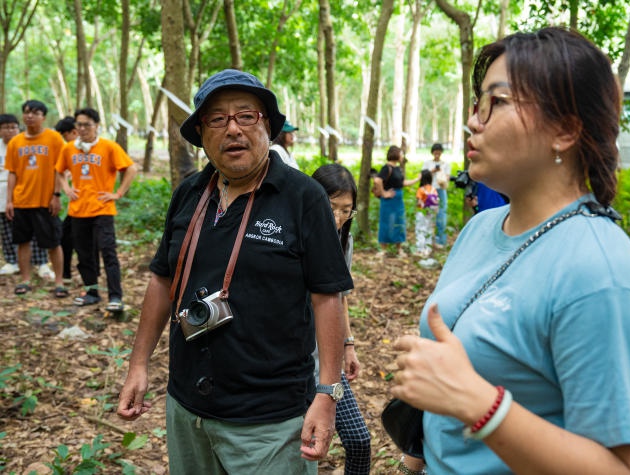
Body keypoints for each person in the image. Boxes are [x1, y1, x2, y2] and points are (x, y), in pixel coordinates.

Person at [391, 27, 630, 475]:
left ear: (565, 130)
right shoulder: (481, 228)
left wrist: (478, 403)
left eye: (496, 103)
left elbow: (628, 470)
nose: (474, 122)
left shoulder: (603, 276)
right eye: (477, 104)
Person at [117, 69, 353, 474]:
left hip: (270, 418)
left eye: (247, 116)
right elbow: (161, 278)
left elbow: (327, 295)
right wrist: (139, 364)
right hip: (187, 405)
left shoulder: (303, 197)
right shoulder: (190, 193)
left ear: (267, 127)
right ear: (201, 133)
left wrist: (327, 394)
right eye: (217, 119)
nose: (233, 129)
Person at [311, 163, 371, 475]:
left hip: (328, 361)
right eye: (330, 207)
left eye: (346, 210)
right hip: (290, 364)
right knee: (301, 449)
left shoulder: (343, 241)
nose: (337, 218)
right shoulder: (289, 238)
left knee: (359, 441)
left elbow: (339, 296)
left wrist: (348, 345)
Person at [56, 107, 137, 311]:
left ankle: (115, 297)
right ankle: (91, 292)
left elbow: (131, 168)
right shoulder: (69, 149)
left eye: (86, 124)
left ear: (96, 125)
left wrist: (118, 194)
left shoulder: (108, 147)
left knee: (108, 252)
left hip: (103, 209)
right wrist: (66, 188)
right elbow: (59, 171)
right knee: (83, 254)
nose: (82, 128)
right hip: (78, 210)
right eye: (79, 124)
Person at [3, 100, 67, 297]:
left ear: (43, 117)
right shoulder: (16, 142)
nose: (30, 116)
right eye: (27, 112)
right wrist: (10, 200)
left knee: (53, 242)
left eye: (35, 112)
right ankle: (25, 280)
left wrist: (56, 195)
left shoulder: (54, 138)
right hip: (22, 200)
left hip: (45, 200)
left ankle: (59, 282)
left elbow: (60, 169)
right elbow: (12, 173)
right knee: (22, 242)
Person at [0, 114, 55, 279]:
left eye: (13, 127)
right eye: (5, 127)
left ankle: (41, 262)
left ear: (19, 128)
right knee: (6, 231)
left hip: (27, 193)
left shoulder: (24, 144)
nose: (10, 131)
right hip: (2, 193)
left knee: (35, 229)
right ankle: (12, 261)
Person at [372, 145, 420, 258]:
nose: (402, 156)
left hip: (398, 200)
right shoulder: (386, 167)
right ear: (395, 154)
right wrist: (384, 193)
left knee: (399, 222)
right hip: (388, 201)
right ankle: (384, 249)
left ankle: (399, 249)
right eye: (401, 153)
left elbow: (402, 183)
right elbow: (378, 180)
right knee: (386, 223)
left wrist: (417, 179)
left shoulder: (398, 168)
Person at [54, 116, 78, 284]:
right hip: (75, 204)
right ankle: (66, 273)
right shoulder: (69, 150)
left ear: (73, 132)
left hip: (91, 206)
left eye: (65, 135)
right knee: (65, 237)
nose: (64, 139)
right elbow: (61, 171)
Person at [422, 143, 450, 247]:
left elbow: (447, 177)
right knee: (428, 214)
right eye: (435, 152)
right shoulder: (427, 163)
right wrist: (432, 171)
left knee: (442, 215)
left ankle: (441, 240)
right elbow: (423, 175)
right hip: (430, 190)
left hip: (441, 190)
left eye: (439, 153)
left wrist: (441, 173)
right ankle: (427, 240)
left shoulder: (445, 164)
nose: (437, 155)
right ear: (432, 152)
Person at [413, 169, 439, 257]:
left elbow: (419, 201)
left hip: (422, 212)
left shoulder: (421, 189)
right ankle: (428, 249)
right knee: (429, 230)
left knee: (420, 230)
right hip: (431, 212)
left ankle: (420, 249)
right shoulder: (433, 189)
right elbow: (436, 201)